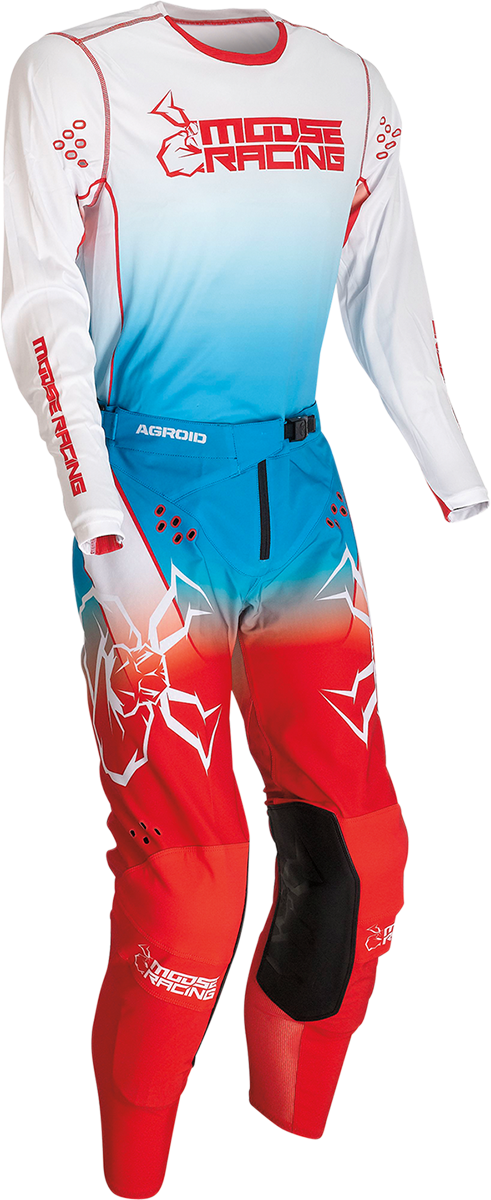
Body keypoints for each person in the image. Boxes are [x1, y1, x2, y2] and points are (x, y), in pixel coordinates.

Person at [2, 6, 488, 1198]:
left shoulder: (353, 87)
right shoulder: (76, 76)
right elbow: (37, 305)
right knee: (190, 888)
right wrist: (97, 522)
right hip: (149, 508)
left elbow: (386, 295)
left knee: (362, 858)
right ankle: (132, 1176)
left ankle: (290, 1143)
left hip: (303, 502)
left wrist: (455, 475)